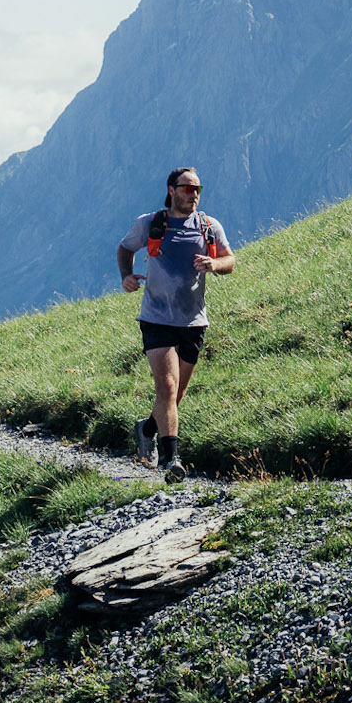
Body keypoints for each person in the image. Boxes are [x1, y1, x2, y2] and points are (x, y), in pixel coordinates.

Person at [117, 166, 234, 483]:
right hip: (156, 317)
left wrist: (214, 264)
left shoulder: (209, 226)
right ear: (171, 190)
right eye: (187, 188)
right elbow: (125, 248)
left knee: (175, 395)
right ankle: (173, 461)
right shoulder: (151, 223)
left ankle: (147, 429)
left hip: (194, 321)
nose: (193, 194)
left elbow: (230, 261)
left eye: (197, 189)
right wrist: (126, 276)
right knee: (166, 388)